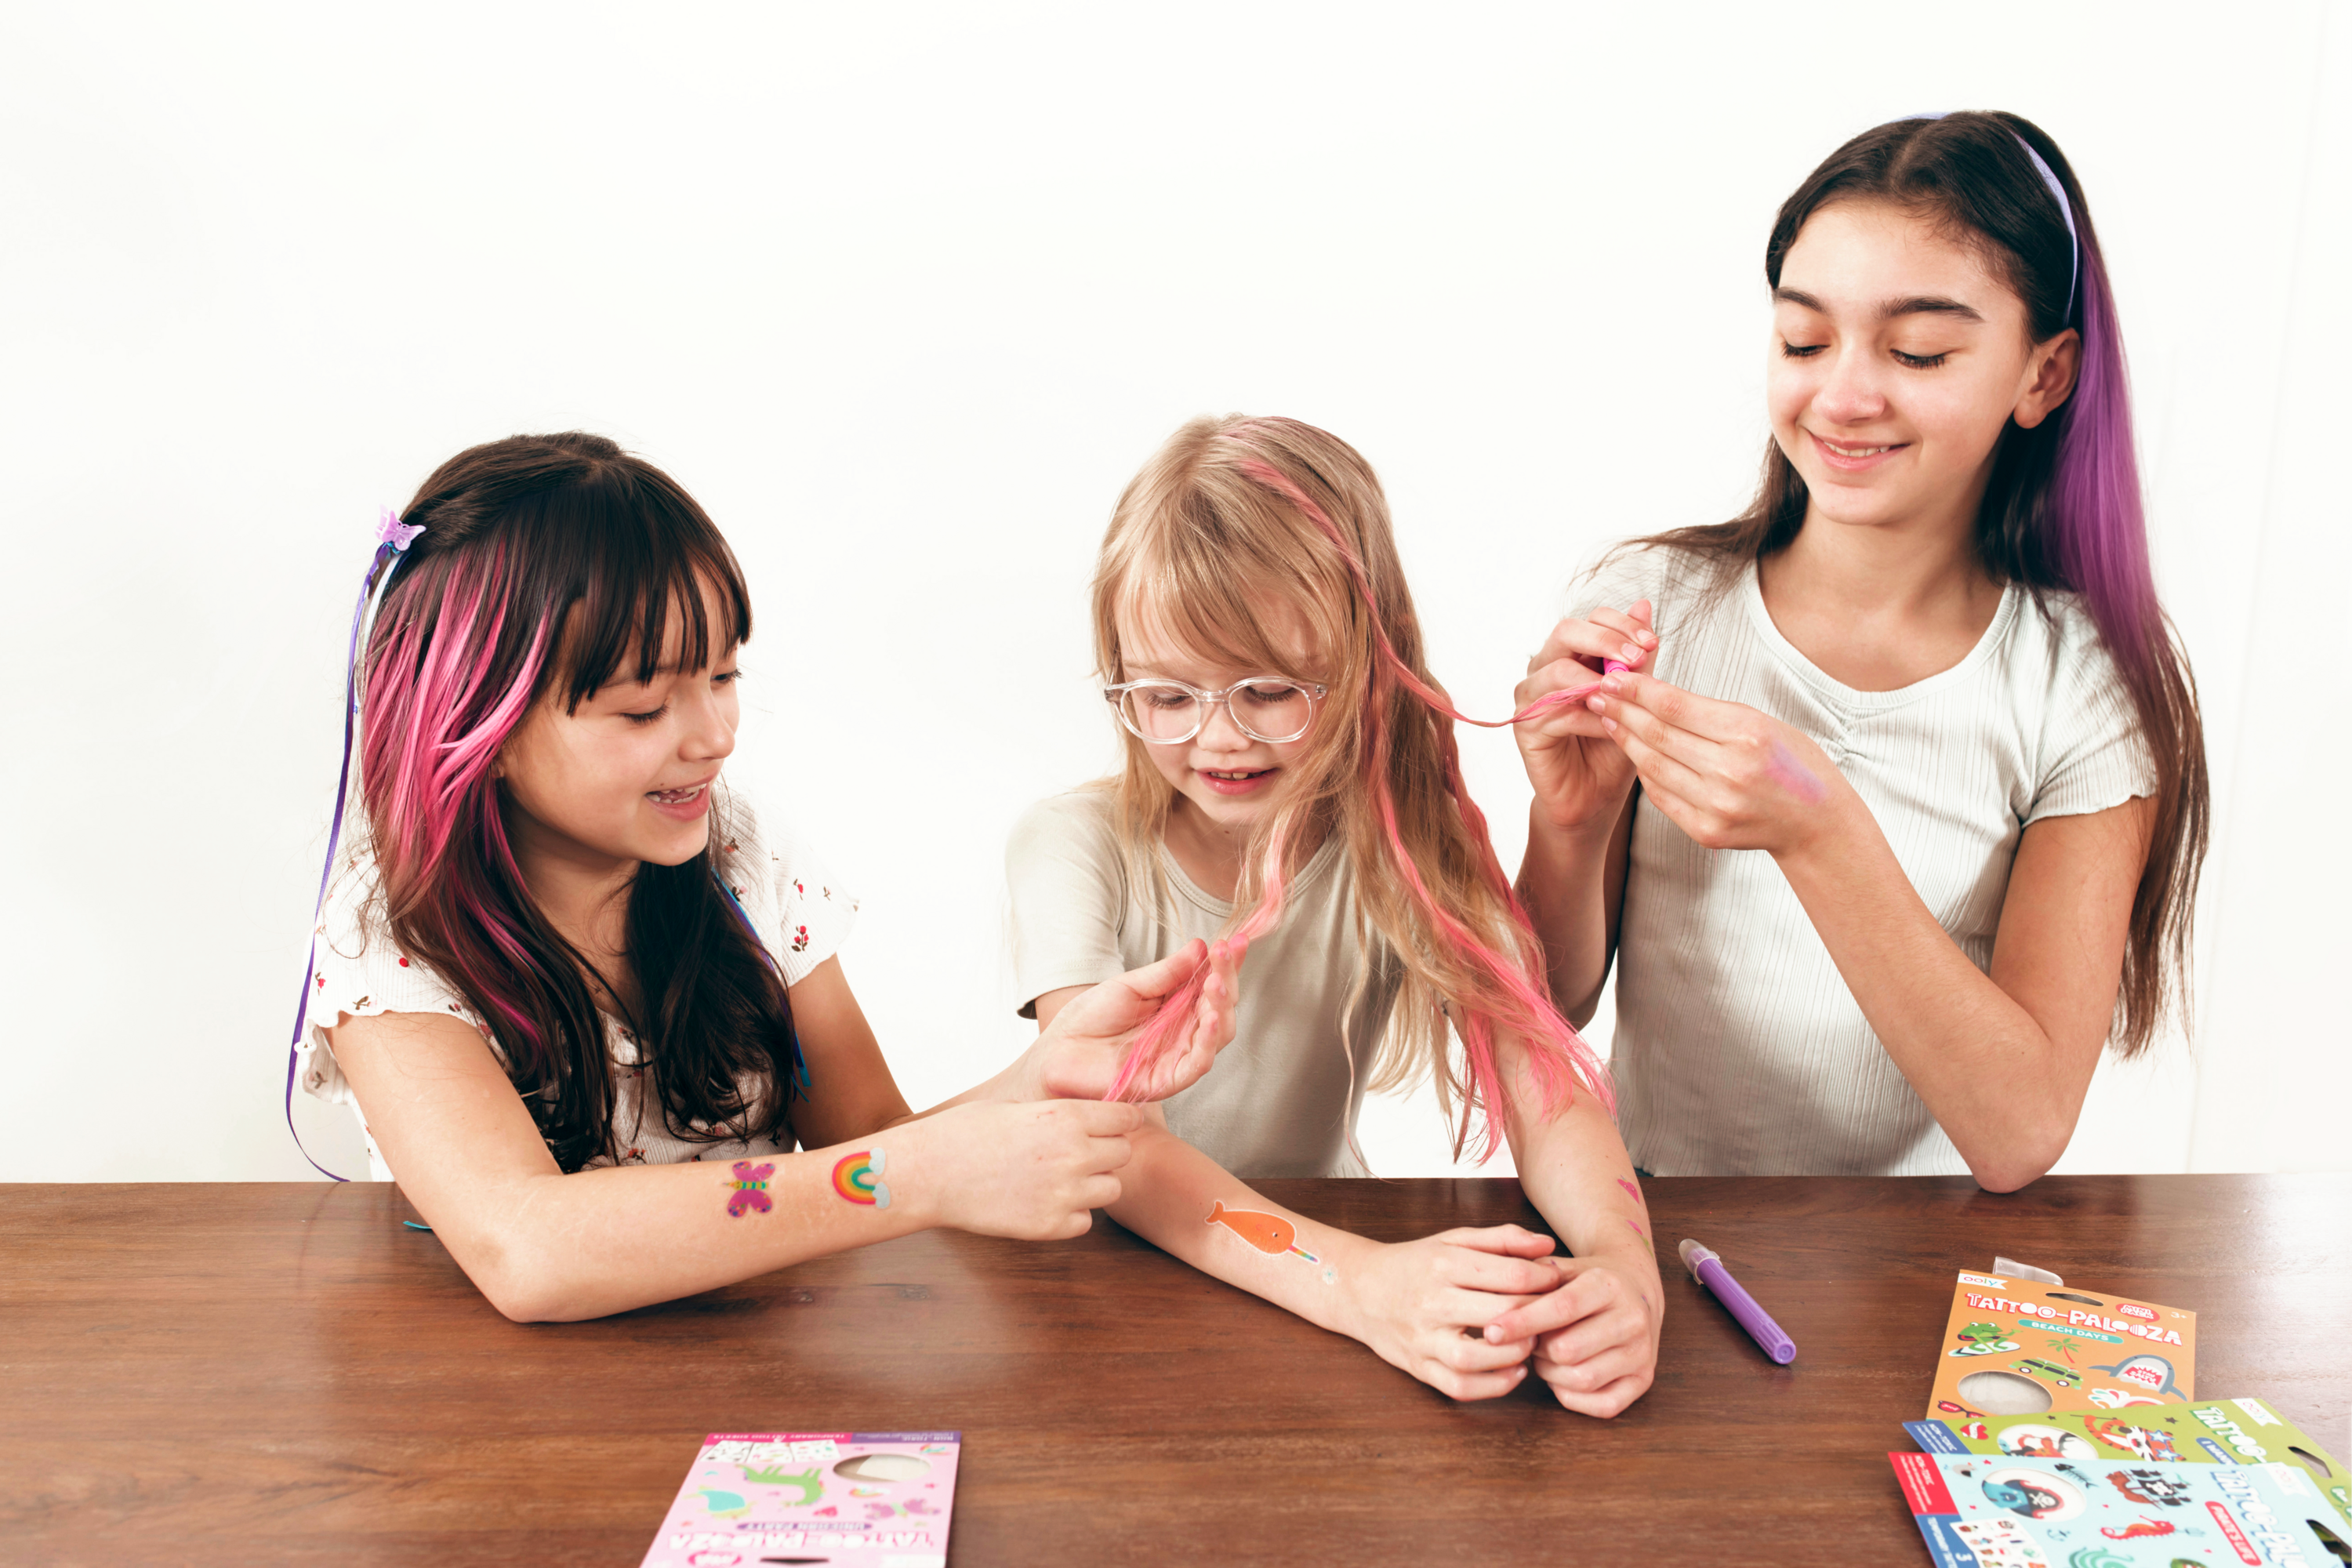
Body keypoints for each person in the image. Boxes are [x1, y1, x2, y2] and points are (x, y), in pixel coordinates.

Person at [296, 432, 1241, 1322]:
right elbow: (527, 1249)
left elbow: (864, 1133)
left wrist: (1048, 1071)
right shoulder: (388, 930)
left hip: (766, 1376)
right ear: (479, 724)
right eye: (643, 706)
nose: (715, 735)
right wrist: (922, 1175)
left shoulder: (737, 855)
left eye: (721, 675)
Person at [1512, 112, 2208, 1191]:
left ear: (2045, 374)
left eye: (1917, 350)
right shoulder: (1655, 608)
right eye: (1803, 340)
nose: (1841, 395)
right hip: (1657, 1248)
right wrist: (1571, 820)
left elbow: (2018, 1131)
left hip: (1915, 1280)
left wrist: (1820, 828)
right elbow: (1546, 1010)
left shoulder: (2086, 689)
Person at [1007, 416, 1659, 1416]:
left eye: (1269, 689)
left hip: (1312, 1277)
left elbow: (1540, 1071)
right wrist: (1362, 1283)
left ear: (1365, 659)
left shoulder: (1405, 841)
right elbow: (1115, 1144)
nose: (1217, 735)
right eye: (1166, 693)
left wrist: (1623, 1265)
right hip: (1111, 1288)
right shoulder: (1071, 845)